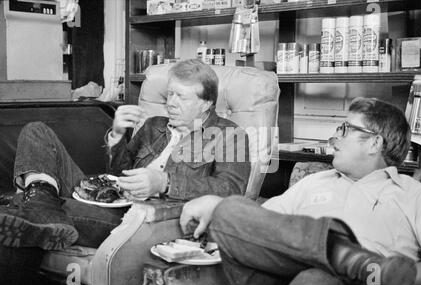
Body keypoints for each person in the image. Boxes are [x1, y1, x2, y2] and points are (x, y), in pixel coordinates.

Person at [180, 98, 421, 285]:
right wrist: (219, 207)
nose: (334, 138)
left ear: (374, 143)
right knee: (228, 212)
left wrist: (387, 276)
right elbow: (262, 226)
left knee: (317, 282)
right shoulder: (313, 181)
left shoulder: (415, 196)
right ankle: (354, 261)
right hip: (282, 282)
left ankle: (363, 267)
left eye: (345, 129)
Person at [0, 59, 250, 254]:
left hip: (147, 220)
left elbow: (232, 189)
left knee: (25, 206)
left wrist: (164, 182)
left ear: (206, 103)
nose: (171, 103)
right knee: (36, 131)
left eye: (181, 97)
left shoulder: (231, 135)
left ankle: (35, 205)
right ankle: (39, 203)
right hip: (113, 200)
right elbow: (120, 172)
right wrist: (118, 134)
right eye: (170, 94)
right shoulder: (154, 125)